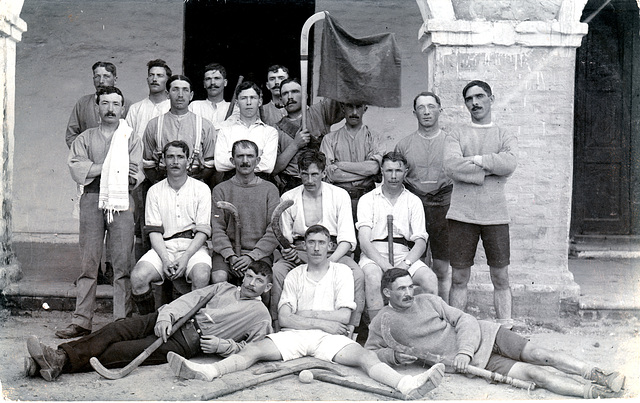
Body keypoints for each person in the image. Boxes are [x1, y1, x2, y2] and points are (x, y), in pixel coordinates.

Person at [167, 225, 445, 400]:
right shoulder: (295, 275)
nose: (315, 247)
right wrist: (321, 318)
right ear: (304, 246)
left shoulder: (343, 273)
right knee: (253, 351)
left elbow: (344, 318)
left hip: (328, 340)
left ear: (330, 246)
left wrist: (307, 315)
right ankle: (208, 372)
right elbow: (286, 319)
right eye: (310, 242)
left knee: (365, 356)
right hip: (296, 335)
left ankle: (406, 385)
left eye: (321, 243)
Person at [365, 268, 626, 399]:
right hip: (480, 363)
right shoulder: (382, 322)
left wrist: (465, 351)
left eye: (411, 287)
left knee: (540, 354)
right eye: (401, 289)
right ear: (387, 292)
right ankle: (596, 394)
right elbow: (370, 353)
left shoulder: (428, 301)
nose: (409, 293)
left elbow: (464, 319)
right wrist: (394, 357)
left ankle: (600, 374)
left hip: (486, 335)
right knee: (536, 374)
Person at [24, 262, 274, 382]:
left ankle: (53, 361)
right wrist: (166, 316)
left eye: (259, 281)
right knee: (117, 328)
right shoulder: (224, 287)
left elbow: (254, 350)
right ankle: (55, 359)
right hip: (171, 318)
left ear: (268, 286)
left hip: (186, 341)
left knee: (121, 352)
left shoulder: (260, 316)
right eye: (249, 276)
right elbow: (188, 301)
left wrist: (223, 346)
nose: (251, 283)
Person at [59, 86, 141, 339]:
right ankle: (82, 320)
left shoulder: (130, 138)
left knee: (122, 263)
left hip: (121, 202)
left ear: (123, 108)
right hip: (91, 199)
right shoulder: (85, 138)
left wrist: (98, 168)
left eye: (116, 104)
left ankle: (121, 320)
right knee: (89, 263)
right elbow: (77, 168)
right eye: (105, 103)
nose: (110, 109)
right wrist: (112, 166)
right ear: (97, 107)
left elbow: (133, 174)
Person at [443, 80, 517, 327]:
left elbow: (509, 164)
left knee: (501, 276)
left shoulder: (503, 133)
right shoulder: (456, 134)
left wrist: (473, 160)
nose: (474, 103)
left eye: (480, 96)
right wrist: (490, 169)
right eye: (469, 99)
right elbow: (451, 166)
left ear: (491, 99)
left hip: (495, 216)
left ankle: (505, 327)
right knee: (459, 277)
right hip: (462, 215)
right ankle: (456, 328)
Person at [271, 149, 364, 335]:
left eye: (315, 174)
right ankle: (278, 325)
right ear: (298, 173)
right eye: (304, 174)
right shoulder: (288, 198)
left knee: (357, 274)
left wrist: (327, 263)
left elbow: (346, 239)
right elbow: (285, 237)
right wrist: (287, 250)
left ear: (324, 173)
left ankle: (350, 329)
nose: (310, 180)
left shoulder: (339, 195)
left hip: (332, 251)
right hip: (301, 250)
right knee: (278, 271)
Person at [130, 140, 213, 315]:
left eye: (180, 157)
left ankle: (190, 325)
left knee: (202, 275)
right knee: (138, 277)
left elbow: (203, 231)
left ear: (188, 161)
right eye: (170, 157)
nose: (175, 162)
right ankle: (150, 322)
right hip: (164, 247)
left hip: (193, 247)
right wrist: (166, 260)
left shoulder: (202, 189)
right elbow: (154, 231)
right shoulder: (155, 191)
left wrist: (185, 259)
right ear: (163, 161)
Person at [356, 151, 438, 321]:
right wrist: (385, 266)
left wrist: (405, 265)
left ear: (405, 172)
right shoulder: (368, 199)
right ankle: (379, 333)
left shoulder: (413, 201)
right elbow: (364, 241)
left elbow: (421, 242)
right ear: (382, 171)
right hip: (374, 255)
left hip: (404, 254)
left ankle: (422, 328)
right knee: (372, 276)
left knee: (429, 278)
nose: (393, 176)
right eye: (389, 171)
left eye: (398, 171)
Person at [395, 92, 453, 302]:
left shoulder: (452, 142)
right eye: (421, 107)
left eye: (431, 106)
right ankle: (416, 312)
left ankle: (442, 311)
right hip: (415, 205)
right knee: (413, 263)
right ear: (414, 112)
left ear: (440, 110)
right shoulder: (404, 145)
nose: (426, 112)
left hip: (444, 206)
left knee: (441, 265)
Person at [210, 140, 280, 284]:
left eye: (250, 156)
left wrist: (252, 256)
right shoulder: (220, 190)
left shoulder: (270, 190)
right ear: (232, 160)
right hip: (227, 254)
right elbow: (217, 229)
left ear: (258, 160)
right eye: (240, 156)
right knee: (219, 279)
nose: (245, 161)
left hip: (259, 254)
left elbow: (274, 230)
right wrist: (231, 256)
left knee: (260, 282)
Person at [125, 59, 172, 260]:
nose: (155, 79)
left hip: (168, 172)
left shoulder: (173, 106)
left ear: (167, 80)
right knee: (142, 222)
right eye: (152, 75)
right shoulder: (136, 109)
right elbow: (126, 140)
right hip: (142, 174)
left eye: (160, 75)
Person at [142, 75, 216, 187]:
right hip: (162, 184)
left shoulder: (205, 125)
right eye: (175, 89)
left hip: (194, 185)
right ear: (167, 94)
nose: (180, 95)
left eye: (185, 90)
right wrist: (159, 185)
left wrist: (193, 184)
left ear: (191, 95)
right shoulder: (154, 125)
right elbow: (147, 163)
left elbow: (210, 164)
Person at [271, 78, 343, 193]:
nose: (290, 97)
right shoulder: (276, 129)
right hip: (292, 186)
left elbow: (341, 96)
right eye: (285, 93)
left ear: (305, 95)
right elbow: (274, 168)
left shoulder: (321, 112)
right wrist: (295, 145)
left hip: (322, 181)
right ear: (280, 99)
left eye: (295, 91)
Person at [320, 102, 382, 219]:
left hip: (368, 198)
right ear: (343, 108)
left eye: (358, 107)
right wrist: (365, 173)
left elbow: (374, 168)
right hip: (338, 199)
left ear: (365, 109)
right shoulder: (329, 139)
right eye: (350, 106)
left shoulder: (374, 138)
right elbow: (332, 175)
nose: (354, 112)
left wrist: (340, 165)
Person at [214, 81, 279, 178]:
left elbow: (268, 166)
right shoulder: (225, 131)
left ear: (260, 101)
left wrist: (235, 160)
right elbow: (220, 164)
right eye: (244, 98)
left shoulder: (270, 132)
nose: (248, 103)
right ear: (236, 103)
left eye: (253, 98)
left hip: (260, 184)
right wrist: (256, 158)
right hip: (231, 183)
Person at [65, 61, 130, 148]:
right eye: (97, 77)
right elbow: (71, 134)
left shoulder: (127, 104)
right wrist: (83, 153)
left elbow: (132, 137)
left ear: (115, 79)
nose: (101, 81)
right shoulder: (83, 103)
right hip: (88, 158)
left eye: (106, 76)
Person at [189, 62, 235, 129]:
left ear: (225, 82)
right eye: (208, 79)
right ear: (204, 84)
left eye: (217, 78)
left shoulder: (234, 108)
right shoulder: (194, 107)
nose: (212, 83)